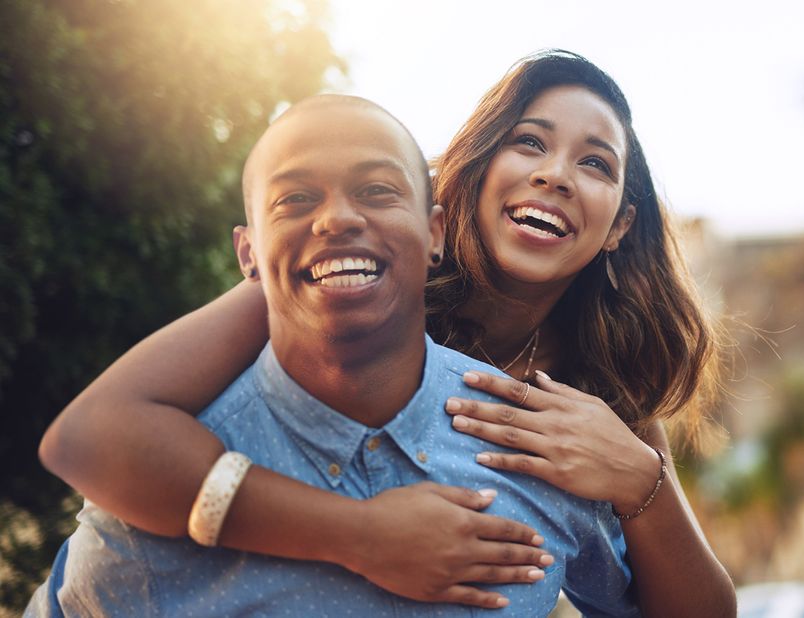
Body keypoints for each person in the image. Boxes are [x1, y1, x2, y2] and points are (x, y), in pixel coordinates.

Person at [38, 51, 737, 616]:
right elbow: (92, 436)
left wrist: (644, 480)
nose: (555, 175)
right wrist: (363, 536)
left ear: (619, 224)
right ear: (469, 176)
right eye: (529, 142)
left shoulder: (599, 395)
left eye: (595, 163)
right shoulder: (357, 280)